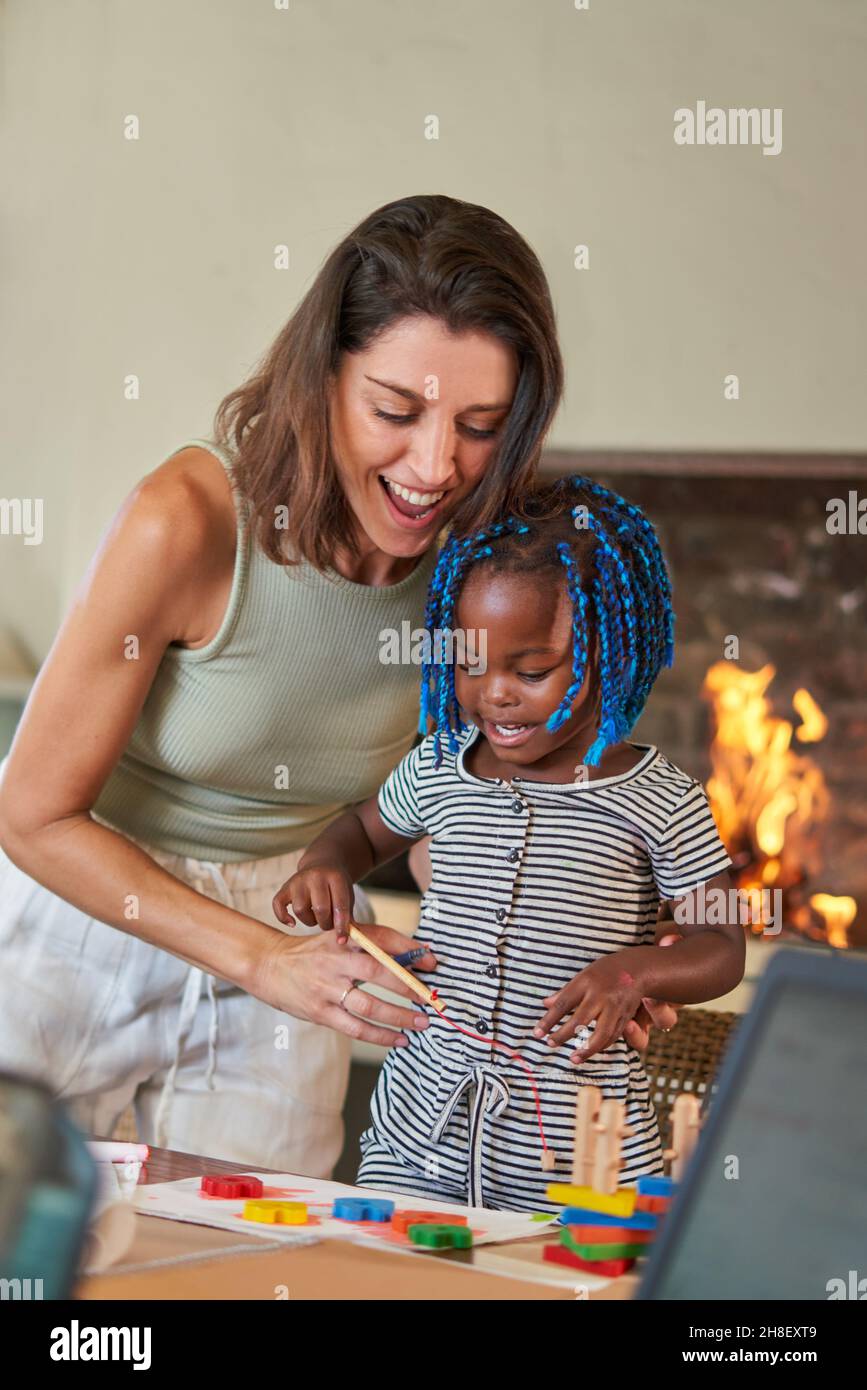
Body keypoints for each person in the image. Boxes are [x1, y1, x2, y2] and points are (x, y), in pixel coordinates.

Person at [0, 194, 676, 1176]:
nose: (434, 466)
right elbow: (31, 815)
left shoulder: (482, 568)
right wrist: (256, 954)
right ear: (322, 379)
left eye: (481, 425)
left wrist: (577, 945)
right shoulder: (187, 521)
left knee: (264, 1259)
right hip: (79, 921)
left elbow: (444, 807)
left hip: (298, 932)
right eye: (395, 411)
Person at [272, 476, 745, 1209]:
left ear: (607, 653)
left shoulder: (658, 796)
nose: (492, 693)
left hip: (576, 1152)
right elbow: (360, 830)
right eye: (468, 665)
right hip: (417, 1133)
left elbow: (721, 947)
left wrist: (636, 972)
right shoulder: (438, 765)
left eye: (529, 672)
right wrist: (324, 864)